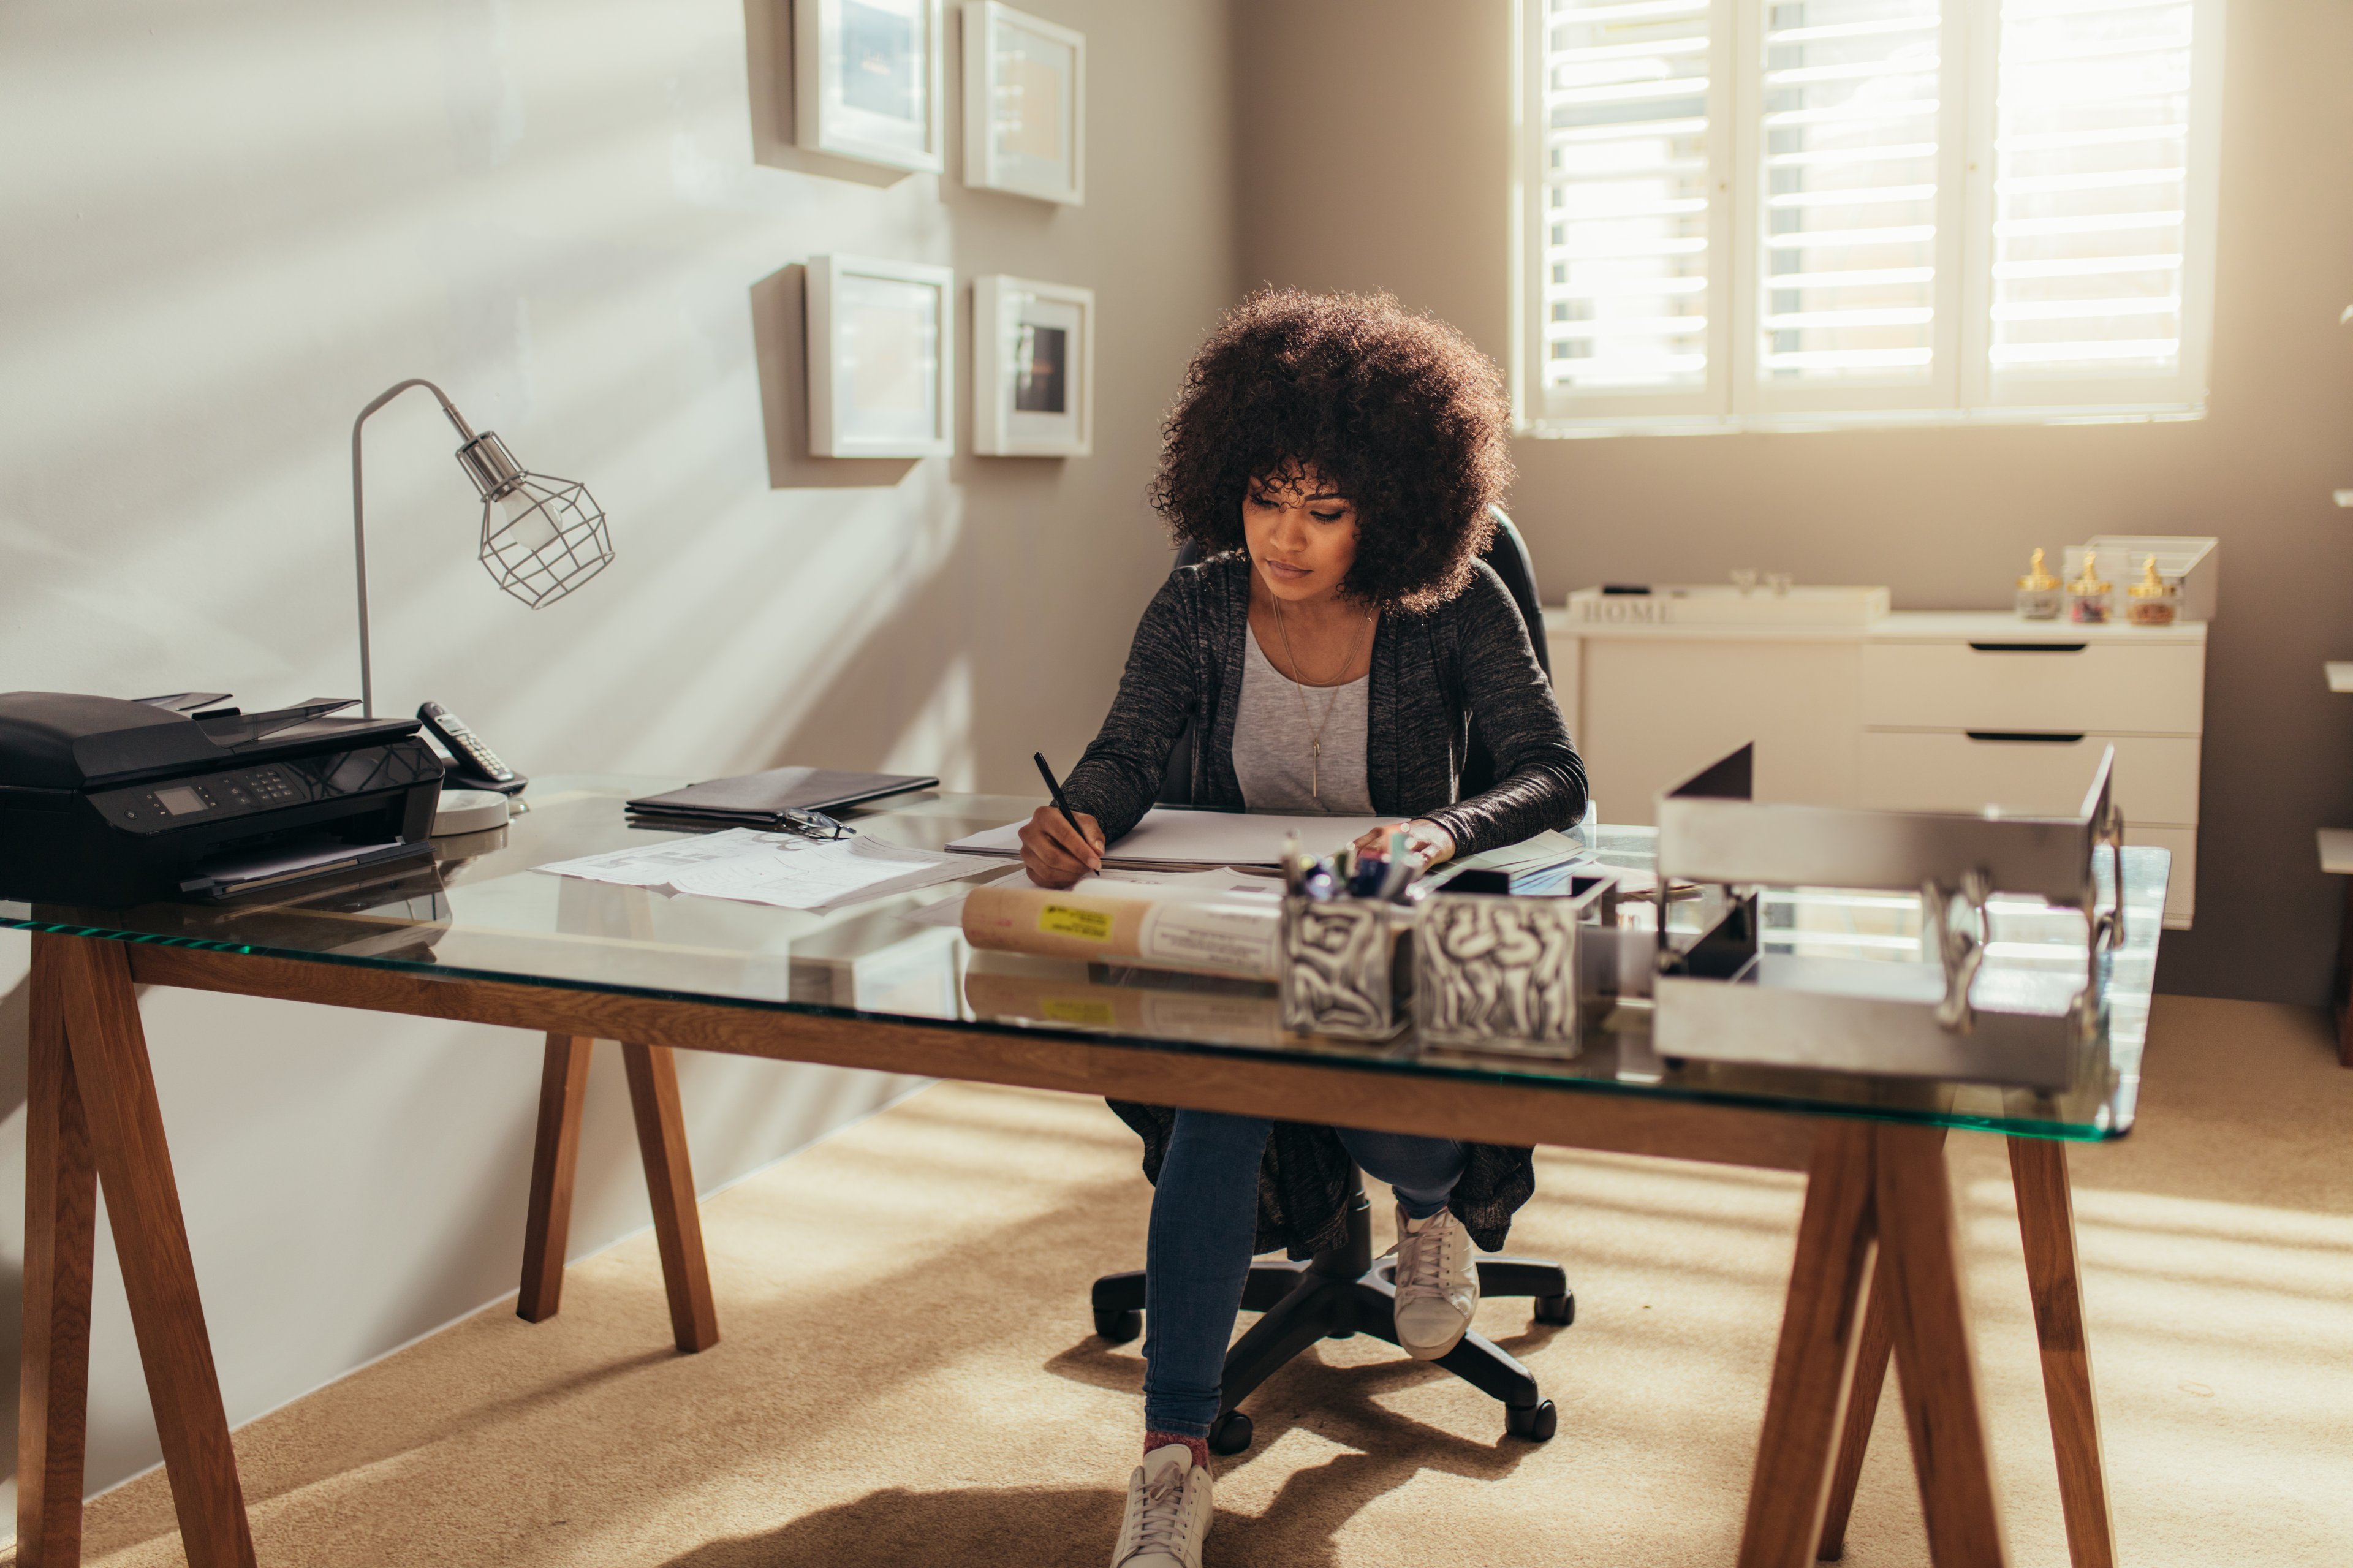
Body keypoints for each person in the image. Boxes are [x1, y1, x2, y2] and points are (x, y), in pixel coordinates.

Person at [1016, 289, 1587, 1568]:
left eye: (1325, 511)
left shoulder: (1455, 603)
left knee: (1318, 1053)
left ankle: (1427, 1203)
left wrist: (1440, 830)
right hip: (1246, 931)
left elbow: (1552, 773)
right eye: (1267, 498)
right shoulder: (1204, 604)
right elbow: (1126, 750)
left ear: (1392, 505)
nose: (1286, 535)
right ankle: (1172, 1460)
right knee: (1227, 1081)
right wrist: (1080, 818)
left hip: (1389, 932)